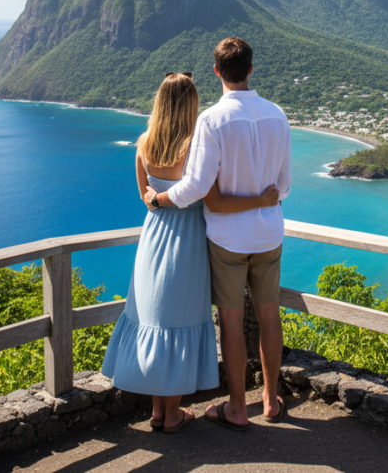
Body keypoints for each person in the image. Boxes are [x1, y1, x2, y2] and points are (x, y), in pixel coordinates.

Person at [101, 72, 280, 433]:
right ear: (191, 104)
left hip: (153, 240)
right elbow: (205, 195)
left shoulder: (143, 143)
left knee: (153, 317)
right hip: (189, 242)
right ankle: (171, 415)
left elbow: (147, 200)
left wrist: (158, 197)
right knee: (178, 321)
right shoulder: (193, 146)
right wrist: (261, 200)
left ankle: (157, 412)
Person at [145, 38, 292, 431]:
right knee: (269, 315)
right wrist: (261, 199)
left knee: (229, 321)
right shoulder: (278, 115)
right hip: (269, 235)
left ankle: (238, 408)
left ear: (216, 72)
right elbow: (285, 186)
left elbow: (194, 188)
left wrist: (159, 198)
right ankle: (271, 401)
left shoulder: (211, 120)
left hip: (227, 239)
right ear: (249, 69)